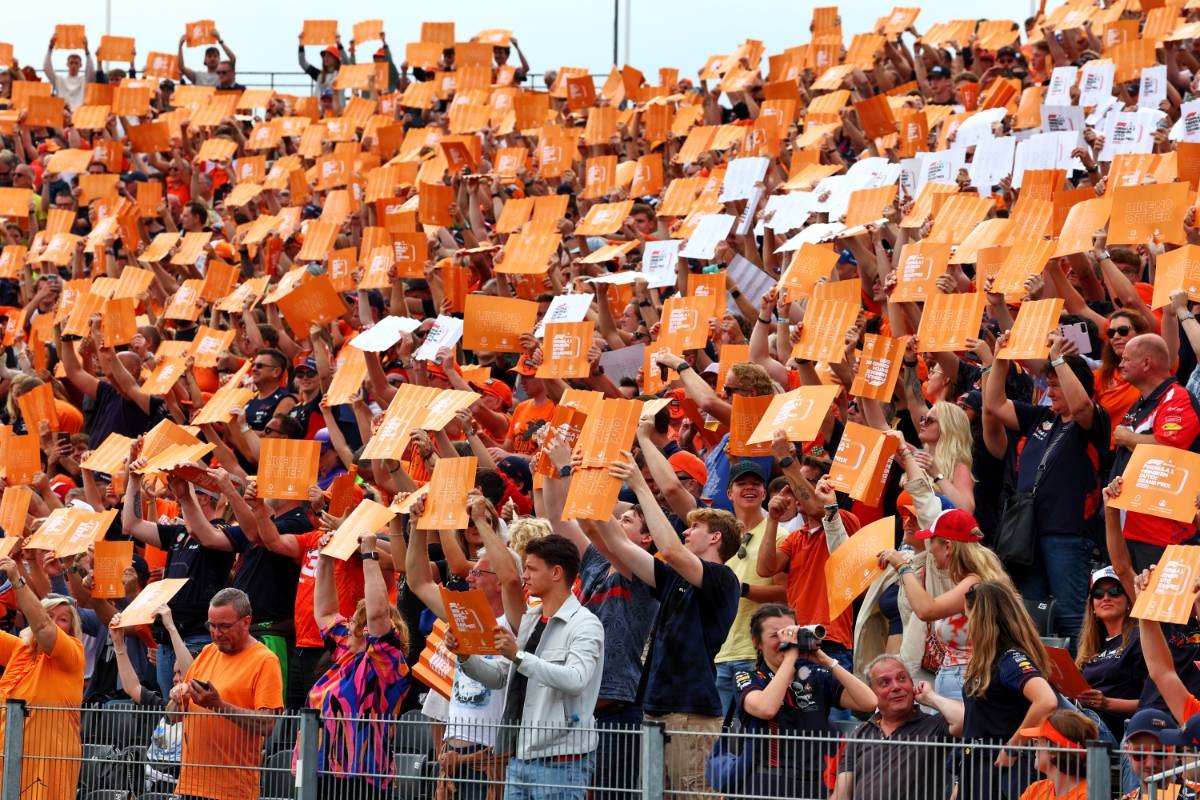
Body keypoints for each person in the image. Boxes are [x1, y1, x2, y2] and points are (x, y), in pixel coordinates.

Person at [598, 454, 740, 799]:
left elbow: (673, 550)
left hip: (690, 710)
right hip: (657, 706)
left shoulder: (724, 579)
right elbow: (615, 542)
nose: (687, 531)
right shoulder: (675, 579)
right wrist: (587, 484)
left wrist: (639, 486)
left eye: (695, 528)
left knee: (692, 794)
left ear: (716, 538)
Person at [453, 534, 604, 800]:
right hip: (519, 757)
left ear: (556, 572)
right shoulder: (531, 619)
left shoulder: (586, 624)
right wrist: (464, 656)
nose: (525, 576)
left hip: (561, 762)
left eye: (532, 569)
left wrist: (519, 657)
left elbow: (576, 679)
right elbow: (500, 676)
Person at [984, 331, 1110, 641]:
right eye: (1049, 384)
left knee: (1071, 615)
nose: (1049, 392)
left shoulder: (1094, 420)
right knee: (1031, 615)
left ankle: (1086, 680)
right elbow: (995, 404)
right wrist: (1000, 358)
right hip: (1028, 533)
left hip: (1067, 533)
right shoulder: (1042, 416)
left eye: (1056, 386)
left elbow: (1081, 407)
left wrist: (1057, 359)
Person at [306, 530, 410, 800]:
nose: (346, 623)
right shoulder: (346, 651)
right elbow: (326, 613)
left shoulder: (386, 662)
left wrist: (369, 554)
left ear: (366, 631)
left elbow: (377, 612)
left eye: (353, 621)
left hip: (360, 777)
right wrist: (326, 559)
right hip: (319, 769)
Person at [734, 603, 877, 798]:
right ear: (756, 642)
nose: (785, 640)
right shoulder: (750, 678)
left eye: (791, 633)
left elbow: (869, 702)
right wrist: (790, 657)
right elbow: (766, 708)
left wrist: (828, 661)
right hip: (768, 783)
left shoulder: (815, 676)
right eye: (776, 635)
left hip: (815, 784)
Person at [879, 506, 1012, 702]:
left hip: (967, 683)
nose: (929, 549)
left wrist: (902, 566)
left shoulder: (974, 583)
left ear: (948, 546)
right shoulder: (967, 579)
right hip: (960, 682)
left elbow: (926, 610)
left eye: (931, 541)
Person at [169, 588, 284, 800]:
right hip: (190, 785)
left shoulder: (265, 660)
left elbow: (267, 724)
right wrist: (177, 698)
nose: (215, 633)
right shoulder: (207, 652)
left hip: (231, 790)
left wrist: (217, 705)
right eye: (211, 625)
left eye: (224, 626)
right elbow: (173, 716)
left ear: (246, 622)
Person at [959, 581, 1059, 800]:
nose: (967, 627)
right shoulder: (987, 662)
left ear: (982, 619)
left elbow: (1046, 700)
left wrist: (1013, 747)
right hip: (976, 766)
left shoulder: (1010, 659)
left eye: (969, 618)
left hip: (1002, 770)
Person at [1111, 333, 1200, 570]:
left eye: (1127, 359)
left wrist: (1129, 438)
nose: (1120, 364)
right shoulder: (1141, 401)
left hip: (1163, 531)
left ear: (1147, 363)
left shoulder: (1176, 397)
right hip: (1131, 526)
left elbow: (1170, 448)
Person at [0, 556, 86, 800]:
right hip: (9, 757)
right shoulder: (21, 648)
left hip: (47, 762)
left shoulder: (73, 652)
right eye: (51, 615)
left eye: (63, 619)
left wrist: (16, 580)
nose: (56, 624)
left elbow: (43, 628)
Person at [834, 655, 964, 800]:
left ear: (912, 684)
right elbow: (841, 794)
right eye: (885, 683)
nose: (896, 687)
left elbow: (968, 721)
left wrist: (931, 697)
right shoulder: (861, 733)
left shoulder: (935, 725)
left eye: (902, 678)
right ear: (871, 692)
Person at [1074, 566, 1145, 743]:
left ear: (1129, 600)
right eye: (1098, 593)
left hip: (1117, 728)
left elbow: (1154, 702)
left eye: (1115, 591)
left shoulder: (1140, 639)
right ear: (1092, 605)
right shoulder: (1090, 647)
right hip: (1084, 721)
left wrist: (1107, 703)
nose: (1106, 597)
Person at [1017, 711, 1098, 800]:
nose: (1034, 747)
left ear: (1054, 750)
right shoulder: (1035, 790)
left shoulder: (1088, 796)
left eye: (1037, 741)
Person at [43, 33, 94, 109]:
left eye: (76, 63)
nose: (73, 65)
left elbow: (91, 70)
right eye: (71, 63)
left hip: (79, 115)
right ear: (67, 64)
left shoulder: (84, 80)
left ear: (80, 66)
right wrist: (50, 48)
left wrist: (86, 50)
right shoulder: (59, 80)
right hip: (63, 114)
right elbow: (46, 68)